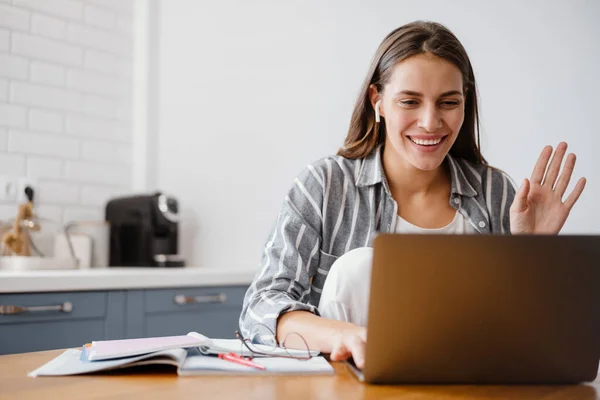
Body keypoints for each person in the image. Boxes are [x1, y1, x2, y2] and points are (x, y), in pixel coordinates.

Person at [238, 20, 586, 369]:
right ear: (378, 101)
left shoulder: (496, 193)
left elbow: (524, 338)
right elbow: (261, 307)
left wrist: (535, 253)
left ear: (465, 105)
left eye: (448, 102)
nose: (430, 122)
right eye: (410, 101)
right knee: (356, 268)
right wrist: (341, 334)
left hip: (468, 386)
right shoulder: (326, 185)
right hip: (350, 385)